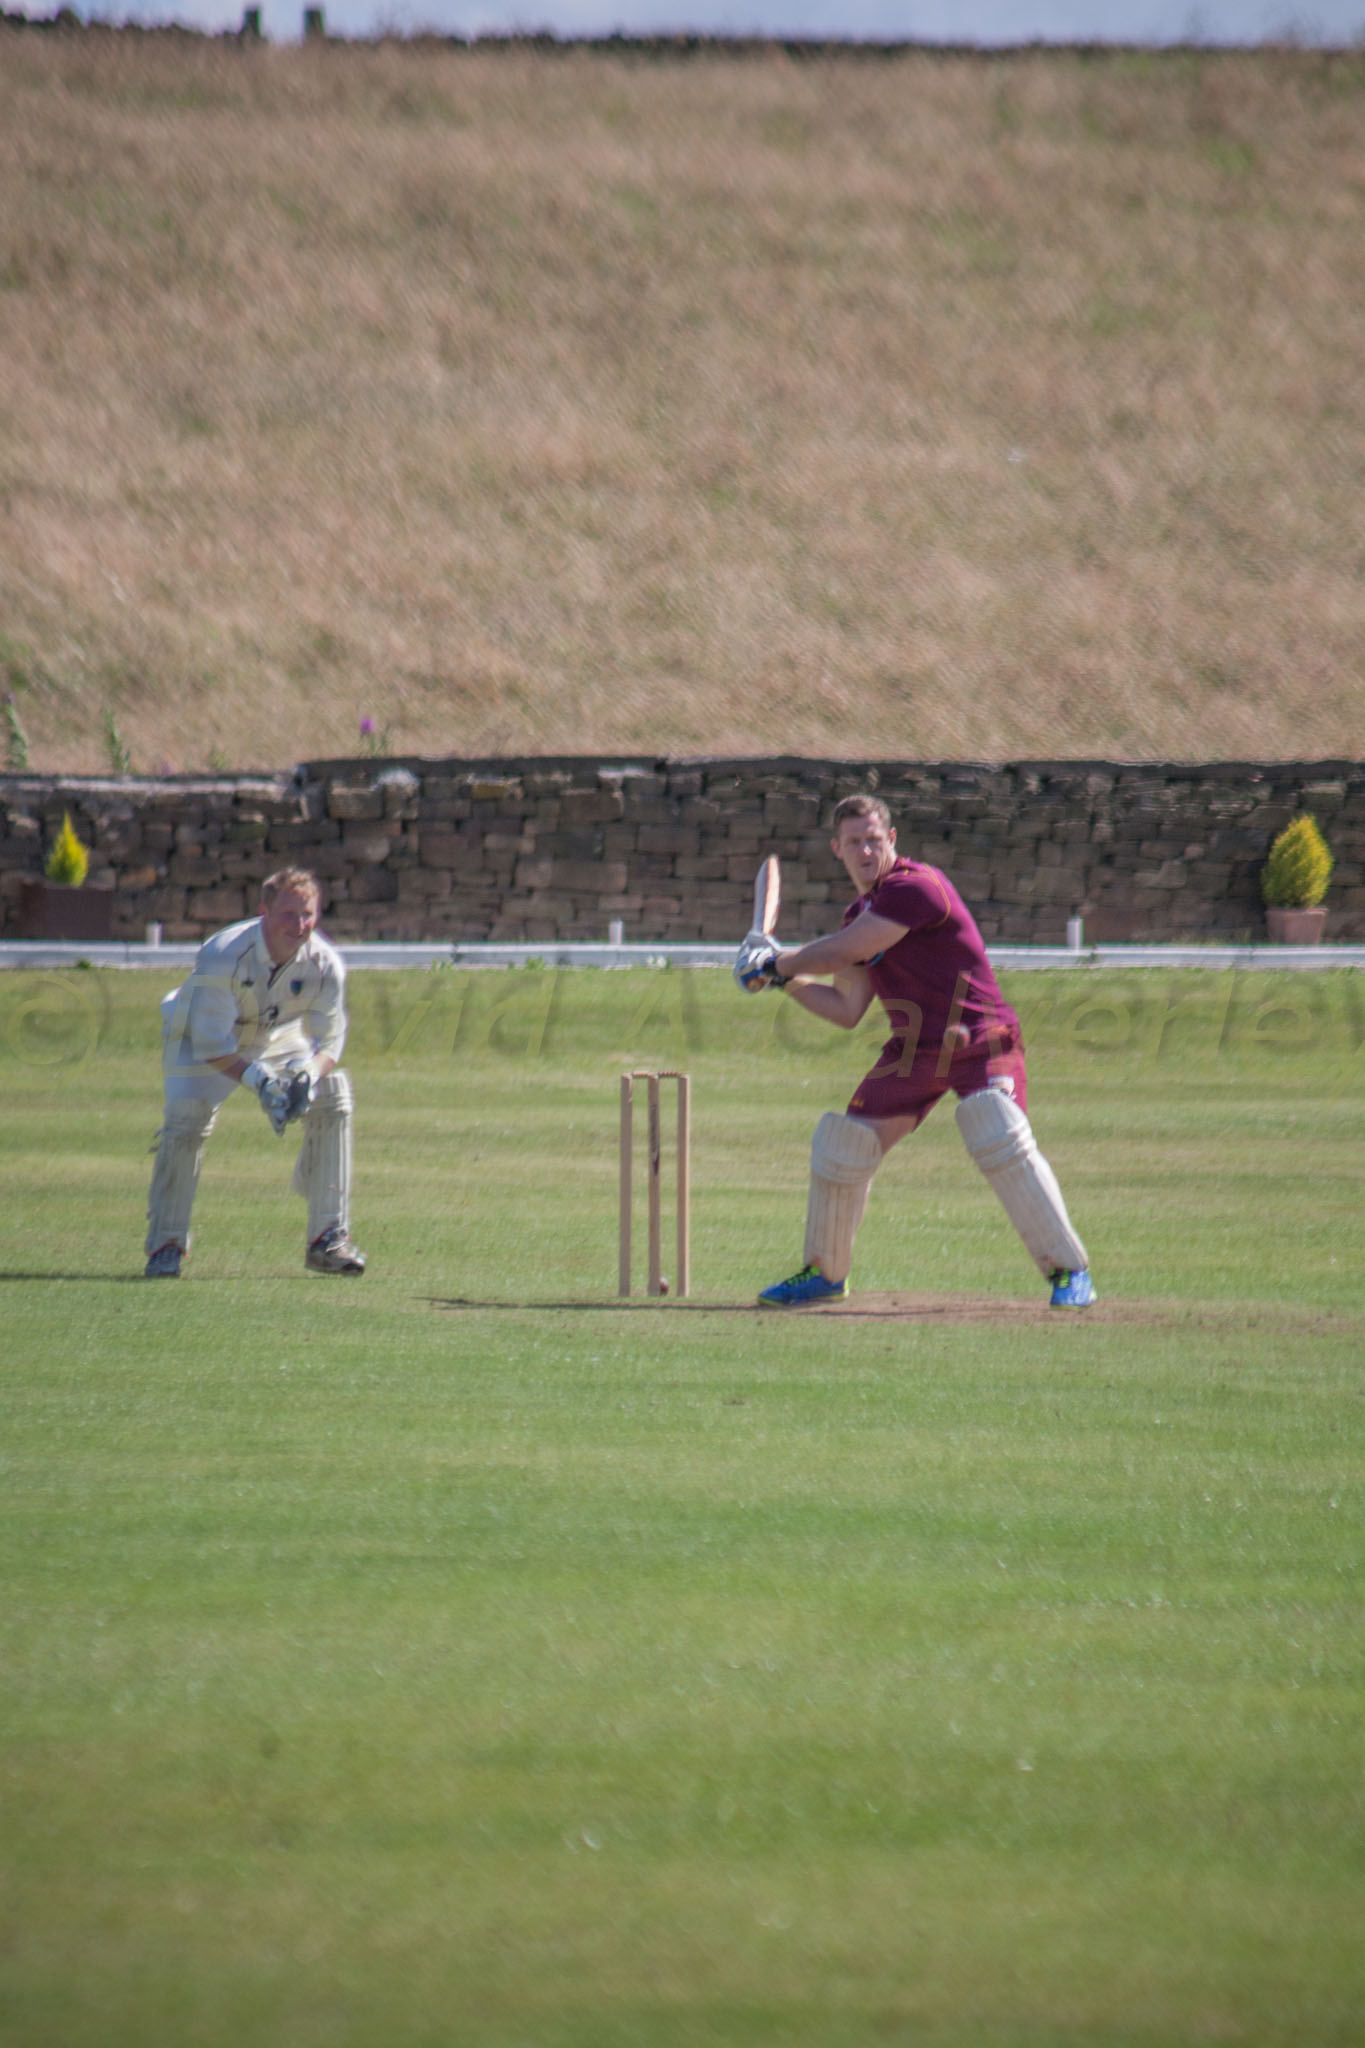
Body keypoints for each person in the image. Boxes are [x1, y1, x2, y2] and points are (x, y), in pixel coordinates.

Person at [734, 792, 1094, 1309]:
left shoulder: (915, 887)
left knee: (996, 1129)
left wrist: (774, 962)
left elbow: (845, 951)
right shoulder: (858, 914)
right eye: (853, 842)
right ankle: (825, 1274)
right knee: (844, 1145)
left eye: (873, 840)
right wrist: (780, 981)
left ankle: (1070, 1272)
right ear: (837, 849)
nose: (865, 851)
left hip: (980, 1037)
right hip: (914, 1050)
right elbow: (846, 1008)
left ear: (892, 839)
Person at [144, 867, 366, 1279]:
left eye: (307, 914)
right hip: (197, 1034)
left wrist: (307, 1076)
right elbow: (212, 1045)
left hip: (276, 1033)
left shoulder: (325, 963)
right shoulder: (224, 954)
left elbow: (330, 1042)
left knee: (332, 1092)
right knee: (187, 1117)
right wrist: (259, 1081)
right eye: (288, 914)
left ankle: (328, 1239)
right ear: (264, 912)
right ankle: (166, 1244)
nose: (298, 925)